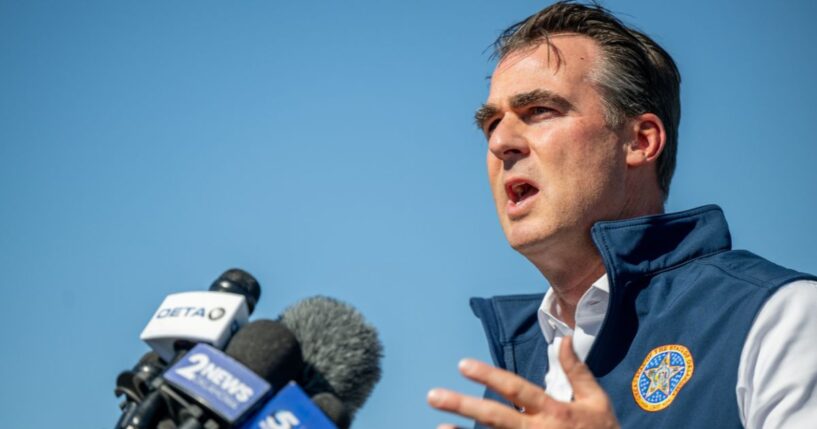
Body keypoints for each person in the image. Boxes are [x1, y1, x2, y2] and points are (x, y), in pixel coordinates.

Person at [426, 2, 817, 428]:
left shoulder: (780, 315)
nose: (500, 142)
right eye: (491, 124)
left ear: (640, 142)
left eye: (539, 111)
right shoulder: (513, 380)